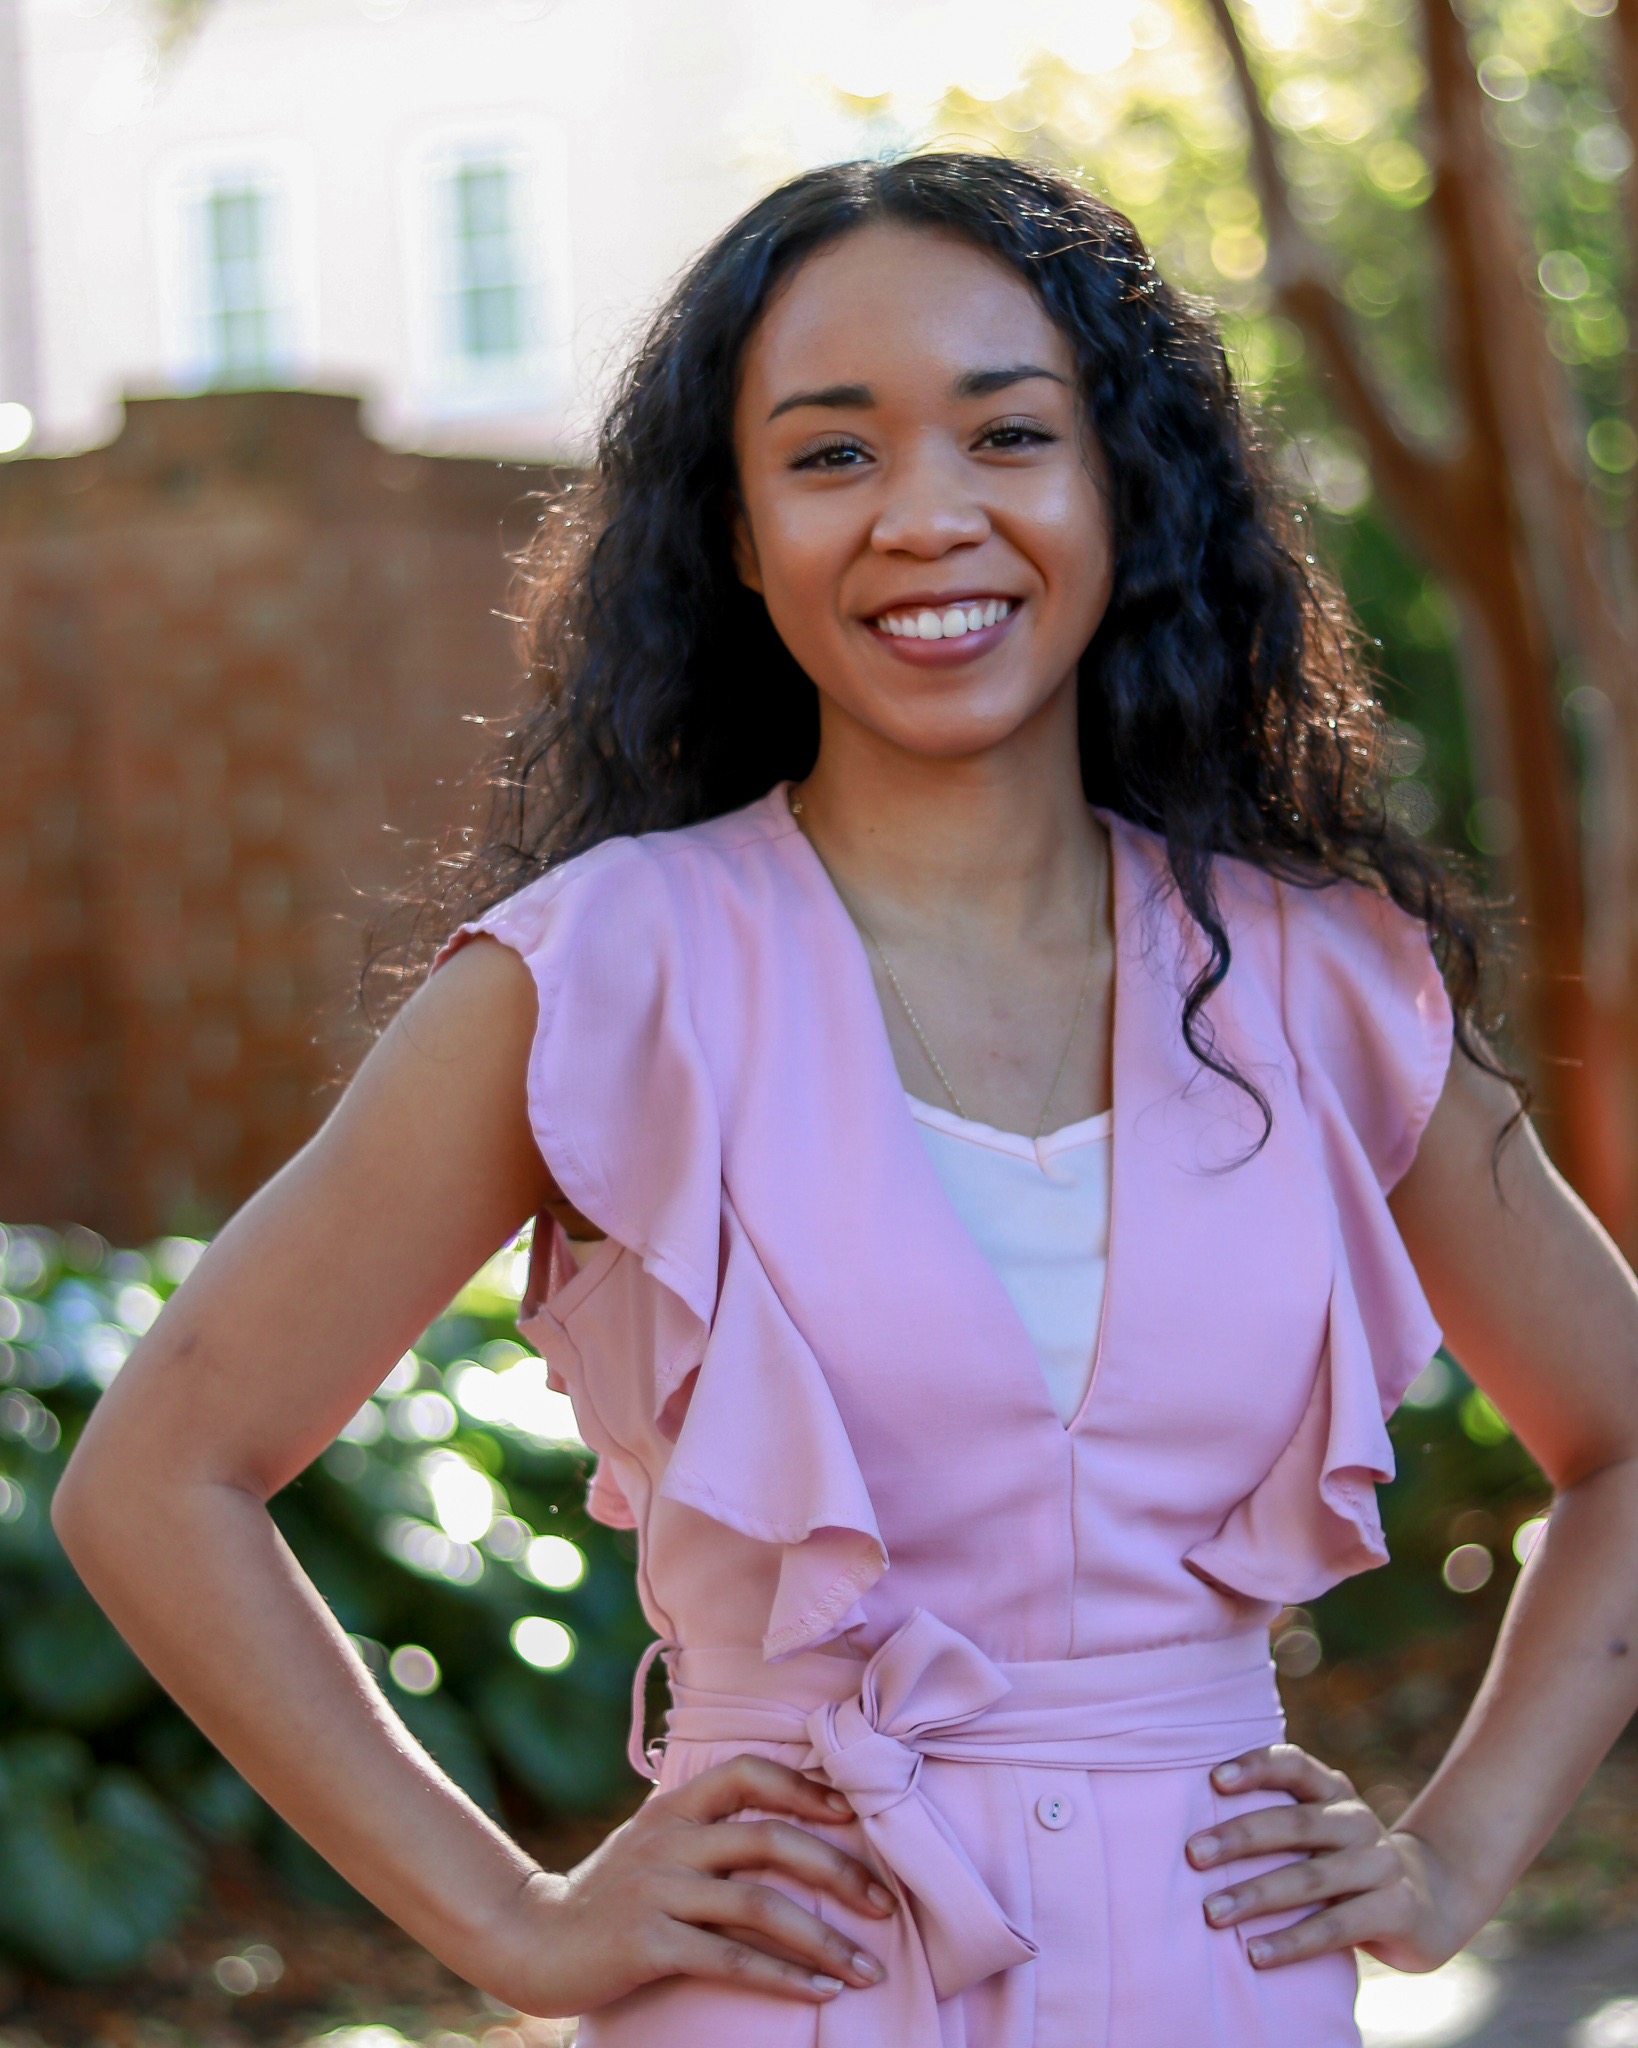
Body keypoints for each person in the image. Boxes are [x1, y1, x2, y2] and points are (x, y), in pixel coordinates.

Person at [53, 154, 1638, 2048]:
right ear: (732, 530)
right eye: (830, 455)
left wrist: (1453, 1863)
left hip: (1224, 1989)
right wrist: (515, 1919)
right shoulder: (605, 969)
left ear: (1119, 486)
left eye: (1008, 435)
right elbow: (158, 1475)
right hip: (782, 1991)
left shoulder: (1317, 976)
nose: (926, 516)